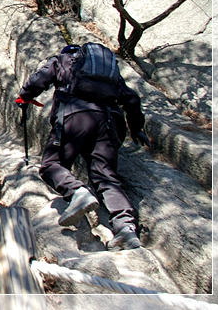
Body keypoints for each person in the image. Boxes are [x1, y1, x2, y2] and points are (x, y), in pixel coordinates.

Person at [17, 43, 150, 251]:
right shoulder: (109, 75)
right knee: (106, 177)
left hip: (75, 116)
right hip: (108, 123)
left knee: (51, 165)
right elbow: (131, 98)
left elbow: (39, 79)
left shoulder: (61, 61)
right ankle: (126, 228)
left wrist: (24, 96)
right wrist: (137, 129)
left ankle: (78, 192)